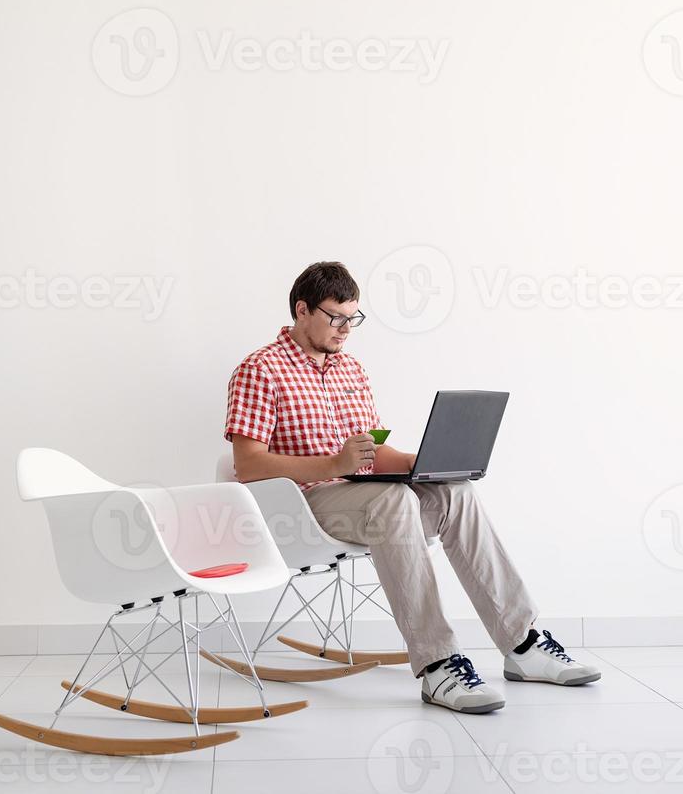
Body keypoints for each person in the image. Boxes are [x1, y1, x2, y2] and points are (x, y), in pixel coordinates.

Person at [224, 261, 600, 713]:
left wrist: (426, 463)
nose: (346, 329)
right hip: (301, 506)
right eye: (335, 317)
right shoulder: (259, 369)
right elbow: (247, 466)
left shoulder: (350, 371)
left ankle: (522, 644)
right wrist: (333, 462)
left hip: (367, 499)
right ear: (302, 310)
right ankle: (438, 663)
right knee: (392, 498)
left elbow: (371, 452)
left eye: (353, 318)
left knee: (454, 492)